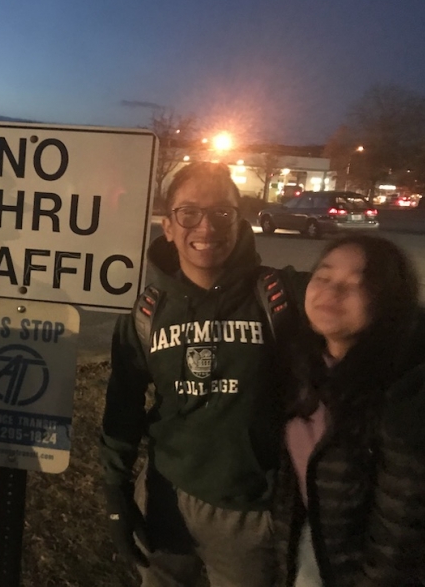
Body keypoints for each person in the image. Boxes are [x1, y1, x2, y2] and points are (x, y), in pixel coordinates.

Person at [99, 161, 308, 586]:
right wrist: (115, 493)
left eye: (222, 213)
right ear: (169, 227)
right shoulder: (146, 313)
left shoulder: (279, 295)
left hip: (250, 514)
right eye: (189, 213)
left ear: (239, 219)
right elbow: (123, 408)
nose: (206, 227)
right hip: (164, 500)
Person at [273, 235, 425, 586]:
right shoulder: (309, 363)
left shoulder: (407, 390)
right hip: (315, 549)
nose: (332, 292)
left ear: (389, 300)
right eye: (323, 277)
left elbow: (401, 530)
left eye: (355, 284)